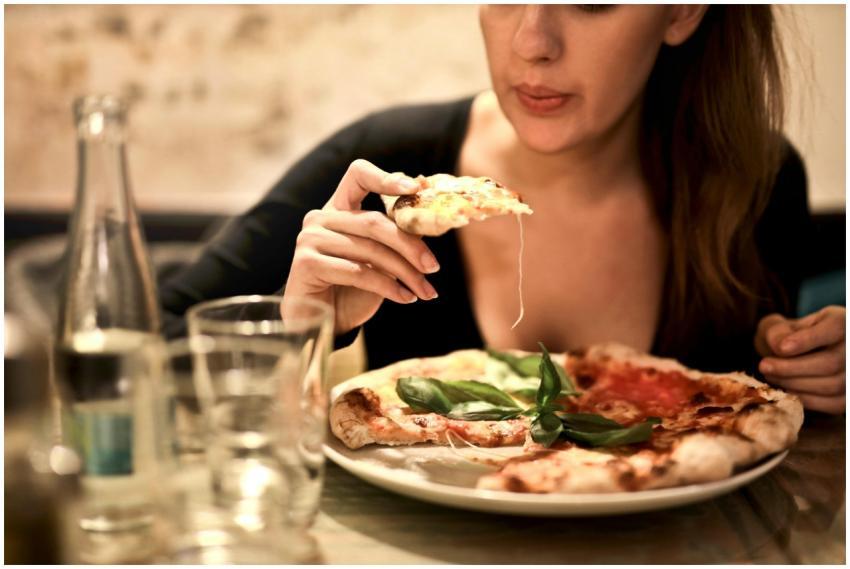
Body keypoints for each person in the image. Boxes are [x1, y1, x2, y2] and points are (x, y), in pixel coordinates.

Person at [161, 5, 845, 414]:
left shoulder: (757, 181)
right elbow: (132, 353)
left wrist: (818, 367)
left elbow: (762, 427)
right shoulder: (385, 165)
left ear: (681, 10)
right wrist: (296, 328)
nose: (531, 42)